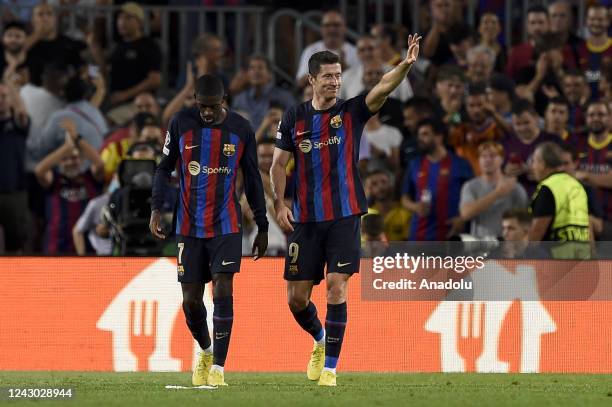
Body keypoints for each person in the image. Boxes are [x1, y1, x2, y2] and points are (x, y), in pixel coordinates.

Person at [270, 34, 421, 386]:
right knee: (296, 300)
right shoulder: (294, 117)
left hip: (345, 215)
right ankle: (321, 341)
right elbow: (278, 165)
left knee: (337, 289)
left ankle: (331, 370)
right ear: (312, 80)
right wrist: (280, 203)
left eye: (338, 75)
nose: (335, 81)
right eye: (327, 76)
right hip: (305, 219)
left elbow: (382, 87)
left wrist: (405, 65)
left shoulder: (350, 111)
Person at [150, 74, 269, 387]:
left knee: (223, 289)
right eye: (201, 106)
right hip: (188, 226)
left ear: (224, 100)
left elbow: (254, 179)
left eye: (212, 107)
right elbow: (163, 169)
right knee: (191, 301)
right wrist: (155, 209)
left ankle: (218, 368)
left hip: (226, 225)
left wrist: (262, 224)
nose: (206, 112)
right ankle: (205, 349)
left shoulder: (241, 129)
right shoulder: (180, 124)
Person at [34, 118, 104, 254]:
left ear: (82, 160)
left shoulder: (90, 178)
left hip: (87, 248)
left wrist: (76, 139)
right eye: (65, 159)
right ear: (59, 163)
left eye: (75, 158)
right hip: (56, 248)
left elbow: (100, 164)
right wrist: (67, 148)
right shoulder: (54, 180)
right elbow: (39, 170)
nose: (71, 162)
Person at [401, 118, 474, 241]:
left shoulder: (460, 164)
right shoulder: (415, 164)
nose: (420, 139)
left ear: (439, 137)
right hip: (419, 236)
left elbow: (473, 195)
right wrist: (416, 207)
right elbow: (404, 197)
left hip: (451, 235)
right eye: (419, 135)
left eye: (425, 134)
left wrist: (462, 219)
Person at [107, 2, 161, 124]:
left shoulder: (149, 46)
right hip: (116, 104)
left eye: (128, 18)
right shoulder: (118, 47)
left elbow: (155, 80)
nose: (121, 22)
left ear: (140, 22)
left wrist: (125, 95)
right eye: (120, 17)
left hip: (139, 104)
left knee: (107, 122)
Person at [459, 142, 528, 239]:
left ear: (502, 159)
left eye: (492, 156)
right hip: (480, 246)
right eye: (483, 156)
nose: (487, 160)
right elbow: (465, 214)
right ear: (478, 160)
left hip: (507, 246)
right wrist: (497, 193)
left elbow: (525, 221)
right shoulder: (470, 186)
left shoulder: (515, 187)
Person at [529, 142, 589, 243]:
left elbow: (538, 230)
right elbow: (588, 225)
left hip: (553, 254)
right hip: (580, 253)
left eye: (534, 161)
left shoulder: (548, 187)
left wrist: (524, 255)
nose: (532, 166)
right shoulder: (577, 185)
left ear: (542, 164)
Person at [24, 4, 86, 87]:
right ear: (32, 20)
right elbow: (16, 55)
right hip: (31, 92)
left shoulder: (67, 43)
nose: (45, 18)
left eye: (49, 14)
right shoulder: (26, 43)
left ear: (55, 19)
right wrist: (38, 34)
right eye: (40, 14)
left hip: (60, 92)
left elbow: (82, 67)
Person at [0, 81, 29, 253]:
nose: (1, 101)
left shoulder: (19, 124)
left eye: (3, 97)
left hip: (15, 193)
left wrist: (11, 84)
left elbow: (22, 112)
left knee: (16, 245)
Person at [295, 10, 359, 89]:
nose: (332, 29)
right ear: (321, 29)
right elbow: (300, 83)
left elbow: (359, 83)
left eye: (336, 25)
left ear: (344, 28)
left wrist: (345, 68)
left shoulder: (355, 51)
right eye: (327, 25)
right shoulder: (311, 50)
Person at [231, 54, 295, 130]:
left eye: (260, 68)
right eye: (252, 68)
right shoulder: (239, 99)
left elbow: (296, 121)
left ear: (270, 74)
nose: (256, 72)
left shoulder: (284, 97)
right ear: (247, 74)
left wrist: (283, 118)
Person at [505, 5, 550, 82]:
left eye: (541, 22)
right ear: (527, 26)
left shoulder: (560, 50)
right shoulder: (517, 52)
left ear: (549, 24)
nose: (537, 28)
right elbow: (508, 80)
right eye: (532, 23)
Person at [577, 4, 612, 98]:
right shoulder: (578, 49)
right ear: (586, 21)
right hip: (584, 105)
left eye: (600, 19)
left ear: (608, 21)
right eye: (592, 19)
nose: (596, 23)